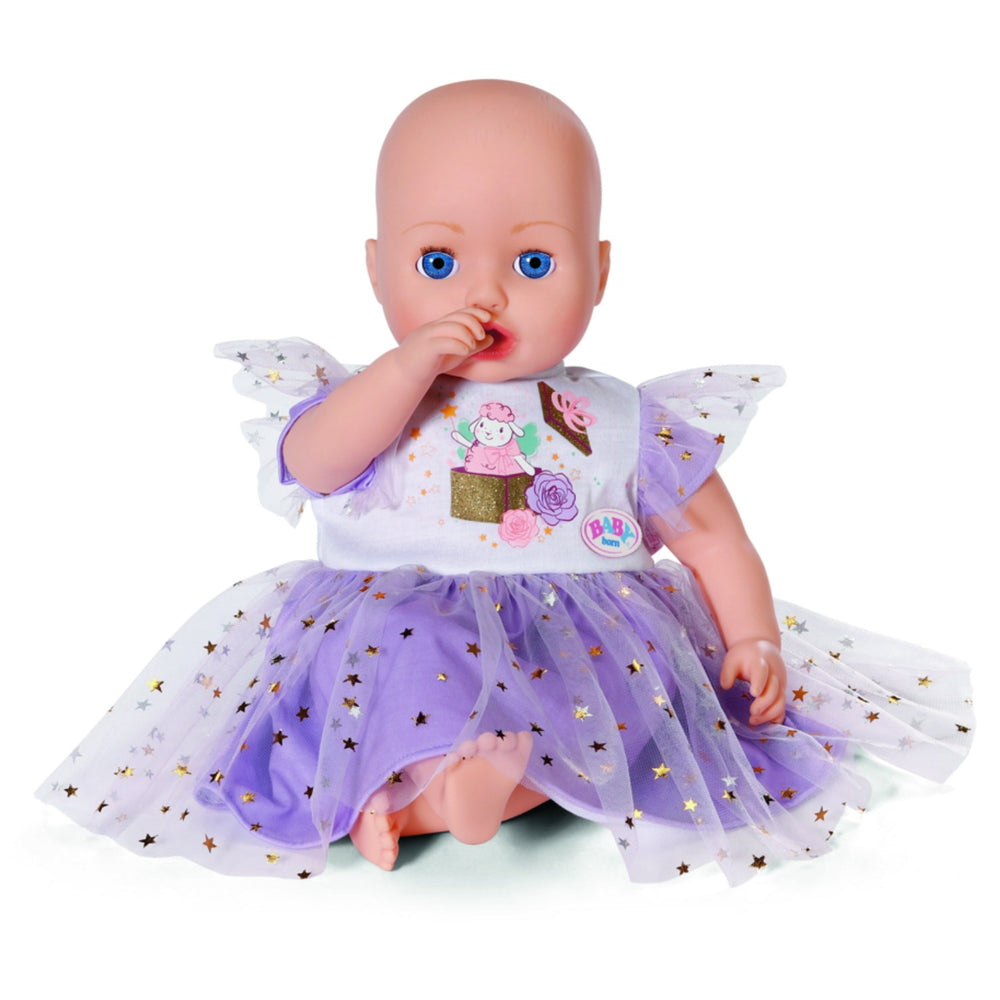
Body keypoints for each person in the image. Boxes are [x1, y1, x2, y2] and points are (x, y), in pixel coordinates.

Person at [37, 81, 973, 885]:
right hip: (394, 618)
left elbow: (713, 538)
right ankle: (431, 791)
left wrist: (752, 637)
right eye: (437, 263)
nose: (483, 297)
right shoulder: (366, 398)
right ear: (376, 271)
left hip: (579, 631)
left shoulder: (625, 421)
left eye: (533, 263)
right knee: (397, 670)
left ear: (599, 273)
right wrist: (405, 370)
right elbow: (315, 466)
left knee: (608, 709)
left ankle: (436, 803)